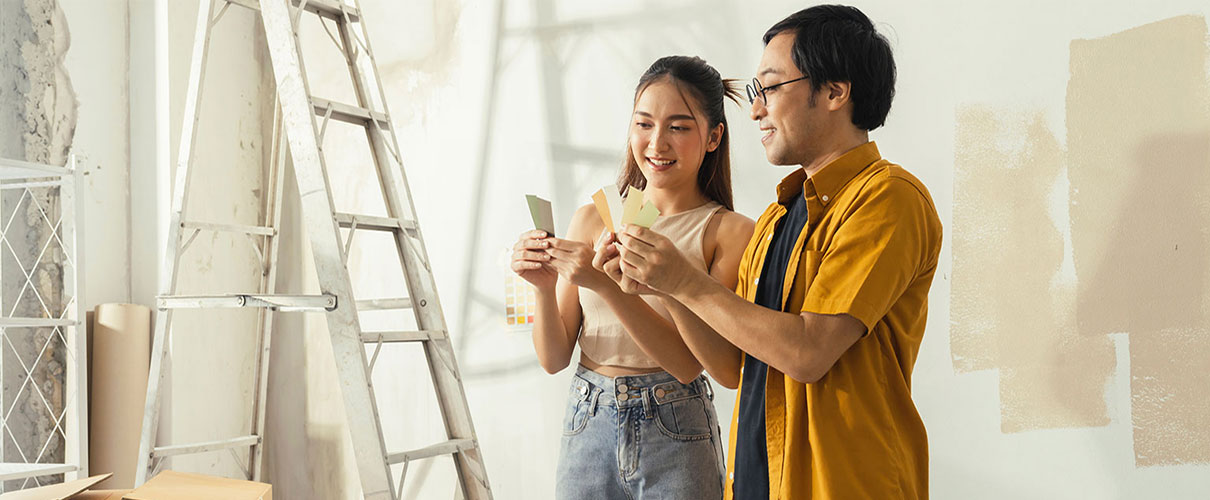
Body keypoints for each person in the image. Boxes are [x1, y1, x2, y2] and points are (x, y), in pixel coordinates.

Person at [599, 6, 942, 499]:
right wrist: (663, 287)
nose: (755, 109)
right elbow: (728, 367)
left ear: (834, 91)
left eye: (770, 88)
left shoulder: (888, 199)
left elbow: (807, 352)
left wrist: (685, 280)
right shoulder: (778, 215)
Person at [509, 55, 755, 499]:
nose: (657, 143)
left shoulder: (728, 232)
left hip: (675, 423)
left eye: (678, 127)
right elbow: (552, 359)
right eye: (644, 124)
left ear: (714, 136)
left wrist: (606, 285)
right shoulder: (592, 217)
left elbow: (689, 366)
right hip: (588, 417)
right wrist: (543, 290)